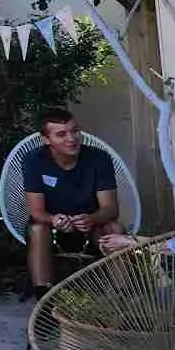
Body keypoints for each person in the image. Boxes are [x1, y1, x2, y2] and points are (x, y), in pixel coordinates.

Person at [23, 108, 124, 297]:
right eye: (61, 134)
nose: (71, 139)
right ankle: (44, 299)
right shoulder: (34, 160)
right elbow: (36, 211)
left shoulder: (99, 158)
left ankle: (125, 296)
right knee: (37, 229)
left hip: (92, 226)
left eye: (75, 131)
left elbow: (110, 208)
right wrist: (54, 220)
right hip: (53, 227)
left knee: (114, 227)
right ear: (46, 139)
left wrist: (91, 219)